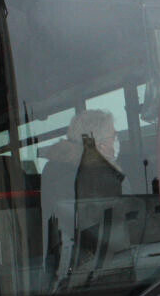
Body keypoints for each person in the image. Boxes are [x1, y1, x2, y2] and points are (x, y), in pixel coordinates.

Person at [41, 110, 125, 281]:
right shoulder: (101, 175)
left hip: (61, 264)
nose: (116, 141)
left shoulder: (54, 169)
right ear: (99, 145)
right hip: (98, 271)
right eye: (113, 136)